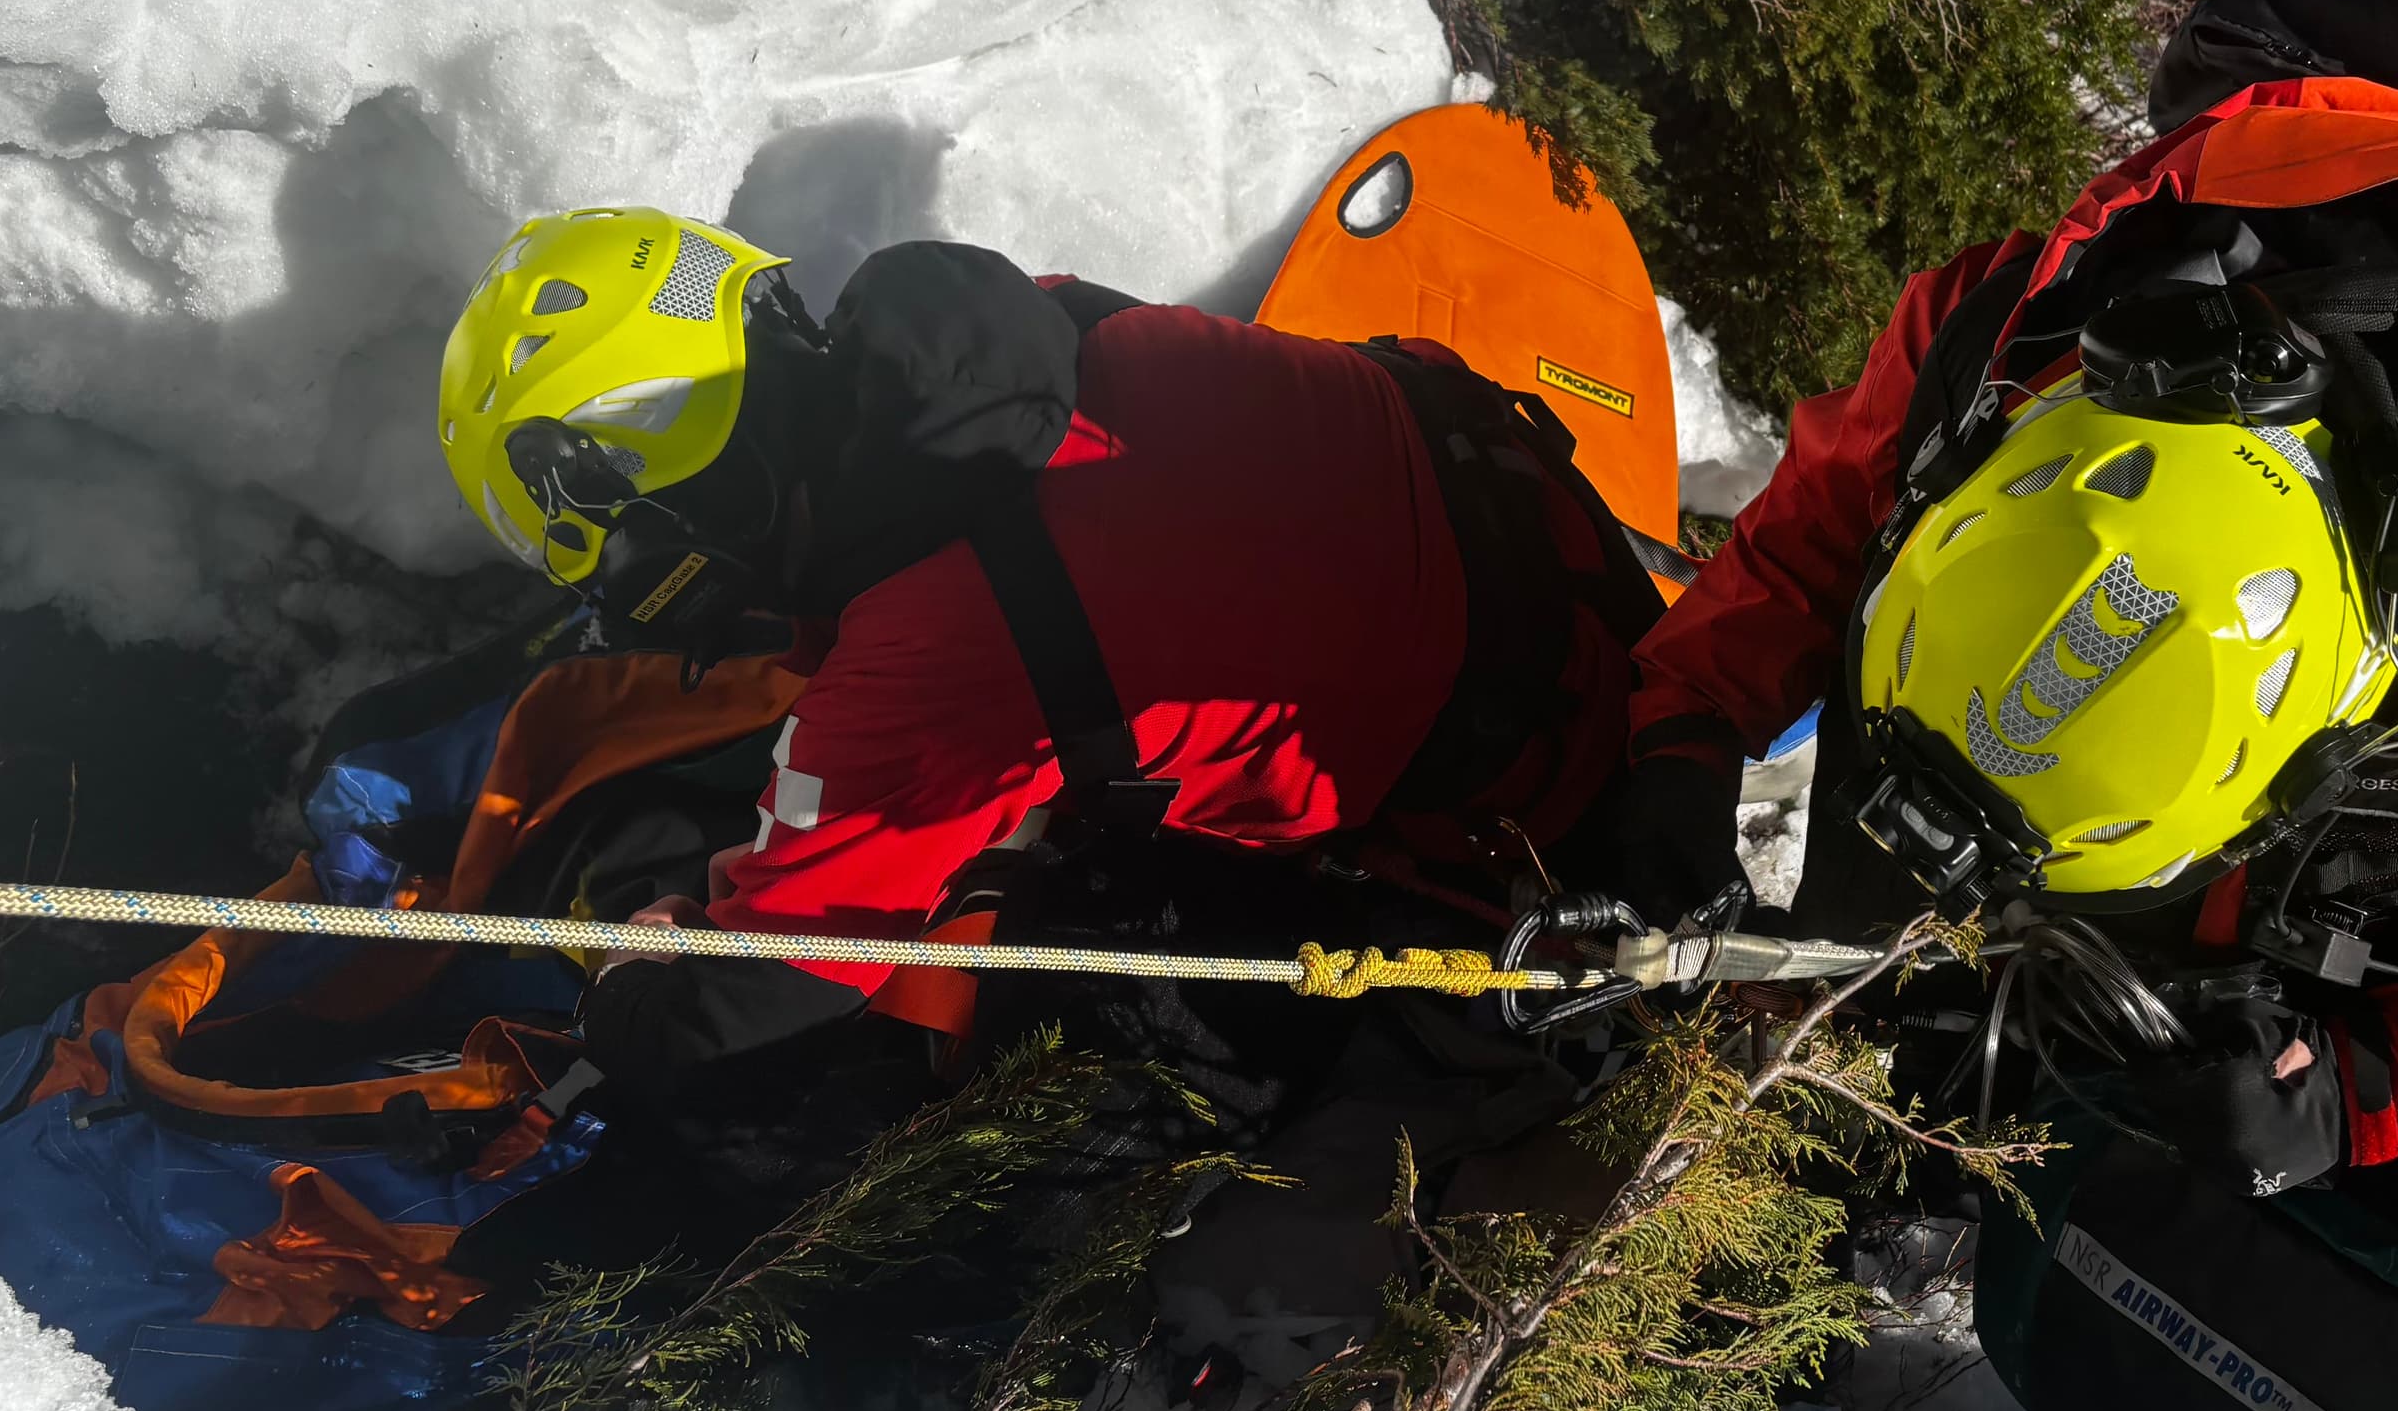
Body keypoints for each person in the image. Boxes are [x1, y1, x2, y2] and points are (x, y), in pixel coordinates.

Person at [1603, 11, 2398, 1198]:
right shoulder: (2004, 339)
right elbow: (1807, 548)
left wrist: (2374, 1087)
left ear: (2358, 710)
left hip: (2331, 1024)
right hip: (1951, 925)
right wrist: (1678, 749)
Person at [431, 210, 1659, 1111]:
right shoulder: (1023, 323)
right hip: (1555, 555)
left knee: (999, 1008)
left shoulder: (920, 664)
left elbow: (749, 1001)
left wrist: (635, 979)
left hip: (1528, 812)